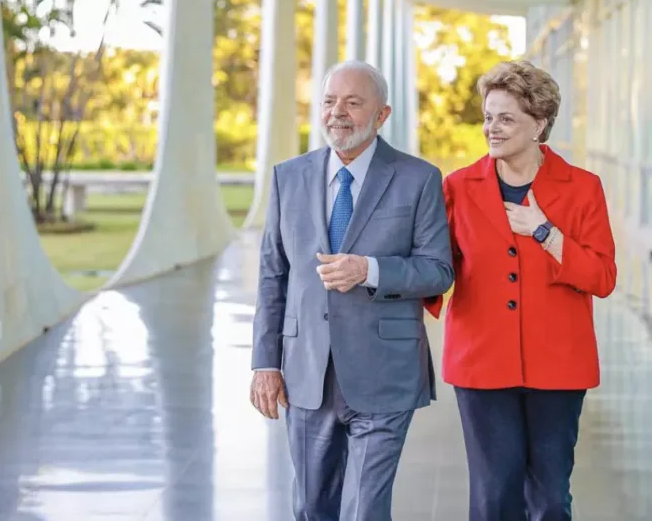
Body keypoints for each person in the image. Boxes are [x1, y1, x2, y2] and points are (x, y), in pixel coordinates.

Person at [249, 60, 454, 521]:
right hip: (306, 372)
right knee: (312, 507)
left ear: (381, 115)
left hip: (386, 373)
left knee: (364, 509)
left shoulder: (418, 178)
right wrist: (265, 362)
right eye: (328, 101)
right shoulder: (289, 176)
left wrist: (370, 270)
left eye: (352, 102)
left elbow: (438, 271)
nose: (336, 112)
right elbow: (273, 275)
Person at [425, 60, 617, 520]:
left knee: (551, 498)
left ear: (540, 124)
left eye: (506, 118)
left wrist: (548, 234)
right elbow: (436, 268)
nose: (492, 128)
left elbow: (603, 277)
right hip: (481, 365)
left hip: (559, 367)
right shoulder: (458, 187)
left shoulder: (583, 188)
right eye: (489, 116)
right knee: (494, 497)